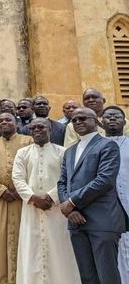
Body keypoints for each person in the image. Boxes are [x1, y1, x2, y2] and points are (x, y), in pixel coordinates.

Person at [58, 107, 126, 284]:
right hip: (76, 222)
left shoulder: (107, 145)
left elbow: (104, 180)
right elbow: (62, 183)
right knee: (87, 277)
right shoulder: (69, 152)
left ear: (96, 121)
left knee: (107, 275)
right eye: (74, 120)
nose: (78, 122)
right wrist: (69, 210)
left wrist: (72, 201)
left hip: (103, 219)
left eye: (83, 118)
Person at [12, 118, 80, 284]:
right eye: (33, 127)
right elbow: (17, 178)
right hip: (31, 208)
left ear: (50, 129)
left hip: (56, 209)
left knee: (59, 249)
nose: (37, 130)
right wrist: (33, 197)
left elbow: (68, 178)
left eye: (41, 127)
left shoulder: (63, 152)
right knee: (32, 248)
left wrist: (50, 197)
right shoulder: (23, 153)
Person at [0, 112, 33, 284]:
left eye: (8, 120)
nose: (4, 122)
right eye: (1, 120)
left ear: (16, 123)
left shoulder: (28, 142)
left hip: (23, 200)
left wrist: (23, 190)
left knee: (24, 241)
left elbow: (33, 167)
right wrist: (1, 191)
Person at [101, 106, 129, 283]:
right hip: (108, 206)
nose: (112, 119)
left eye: (117, 116)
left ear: (124, 121)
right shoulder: (96, 147)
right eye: (108, 116)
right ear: (101, 122)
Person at [64, 88, 129, 147]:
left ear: (103, 100)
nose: (91, 100)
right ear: (83, 103)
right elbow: (70, 149)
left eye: (94, 97)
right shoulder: (73, 124)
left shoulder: (120, 121)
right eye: (87, 98)